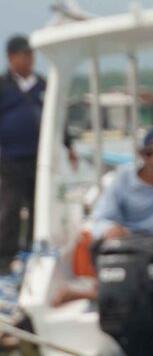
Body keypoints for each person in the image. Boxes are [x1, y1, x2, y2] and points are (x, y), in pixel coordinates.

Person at [0, 34, 77, 274]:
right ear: (11, 57)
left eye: (30, 54)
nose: (28, 59)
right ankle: (5, 258)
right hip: (10, 158)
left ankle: (32, 253)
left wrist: (69, 146)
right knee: (11, 208)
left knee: (38, 206)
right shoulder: (3, 85)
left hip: (40, 158)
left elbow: (57, 117)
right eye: (23, 54)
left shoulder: (43, 85)